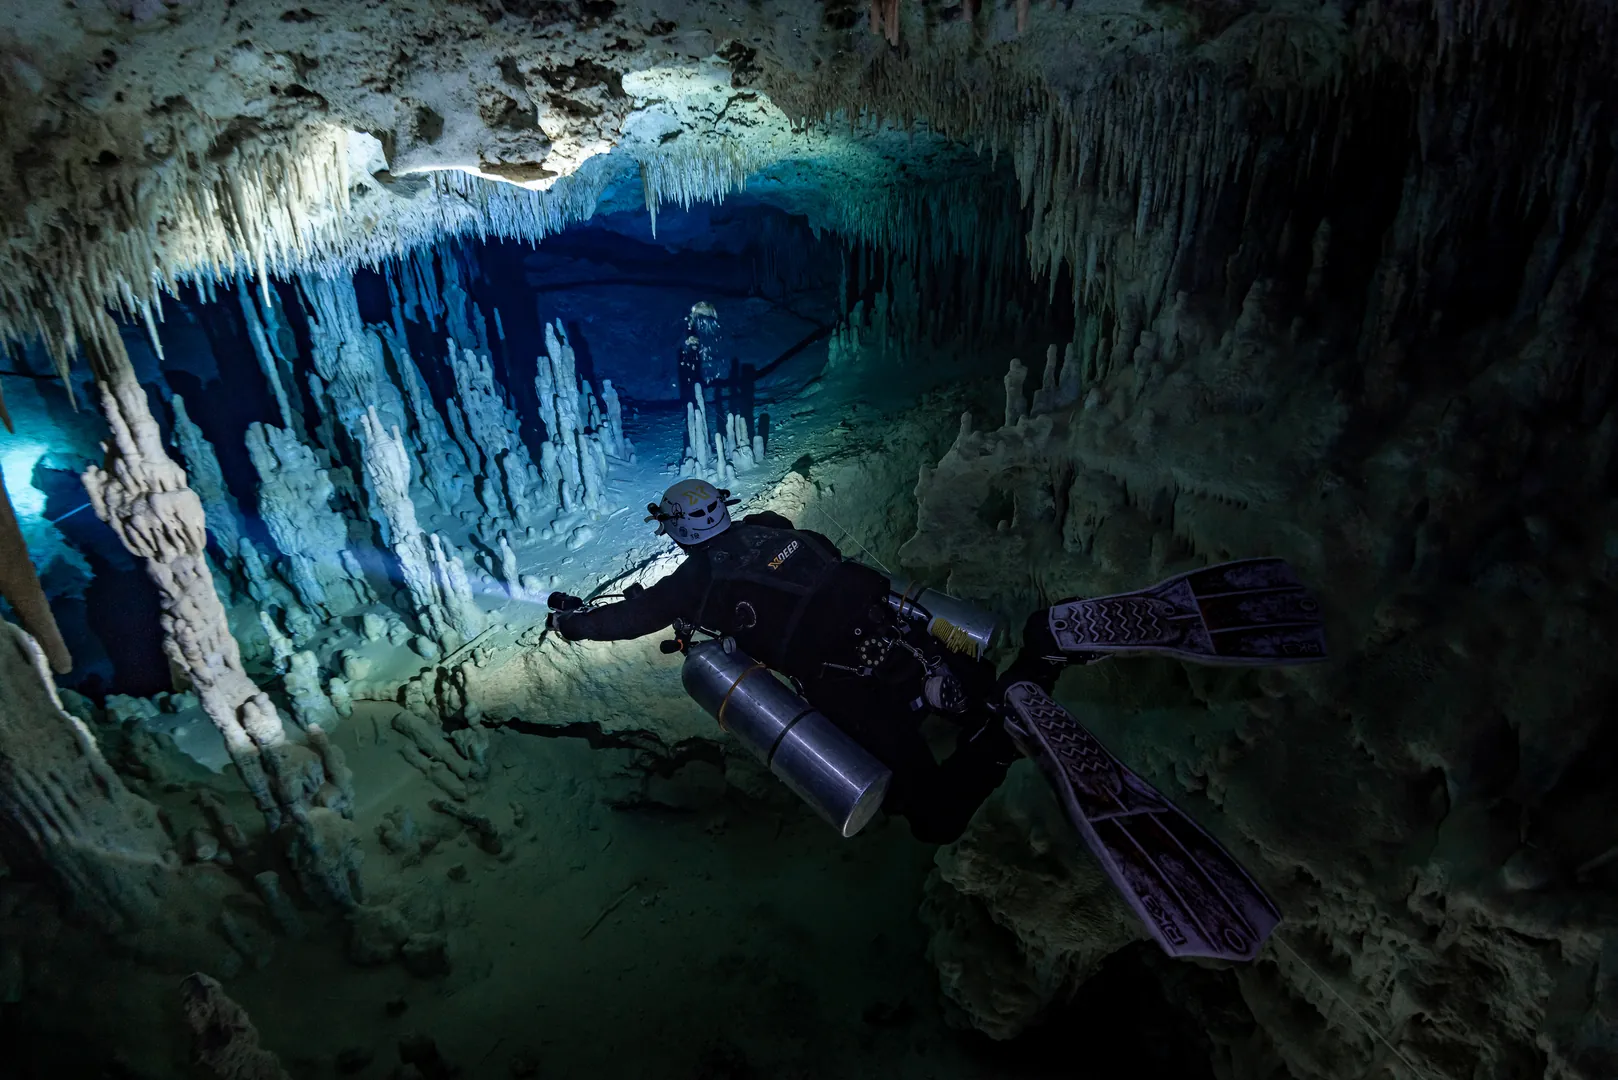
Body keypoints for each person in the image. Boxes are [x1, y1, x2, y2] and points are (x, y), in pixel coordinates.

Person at [548, 478, 1020, 843]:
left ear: (674, 529)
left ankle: (995, 744)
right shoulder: (770, 525)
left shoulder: (691, 583)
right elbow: (816, 551)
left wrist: (568, 624)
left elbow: (625, 620)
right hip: (897, 631)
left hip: (847, 684)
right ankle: (1010, 705)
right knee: (974, 692)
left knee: (931, 817)